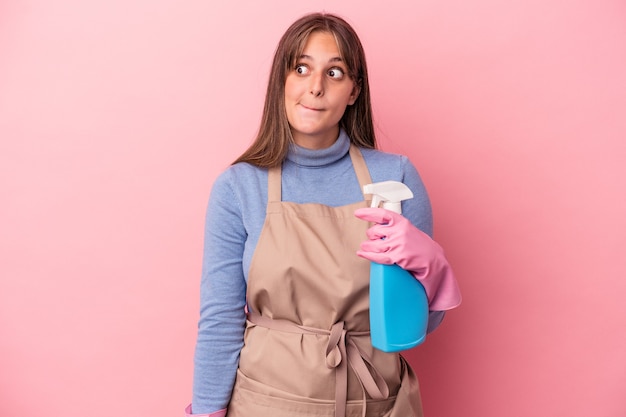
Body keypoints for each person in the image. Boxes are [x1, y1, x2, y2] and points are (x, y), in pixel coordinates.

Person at [186, 12, 461, 417]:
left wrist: (432, 268)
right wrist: (207, 412)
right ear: (283, 80)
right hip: (266, 404)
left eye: (334, 73)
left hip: (374, 403)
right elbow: (220, 321)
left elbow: (420, 328)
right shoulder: (238, 187)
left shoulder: (395, 179)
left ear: (353, 91)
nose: (315, 87)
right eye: (301, 68)